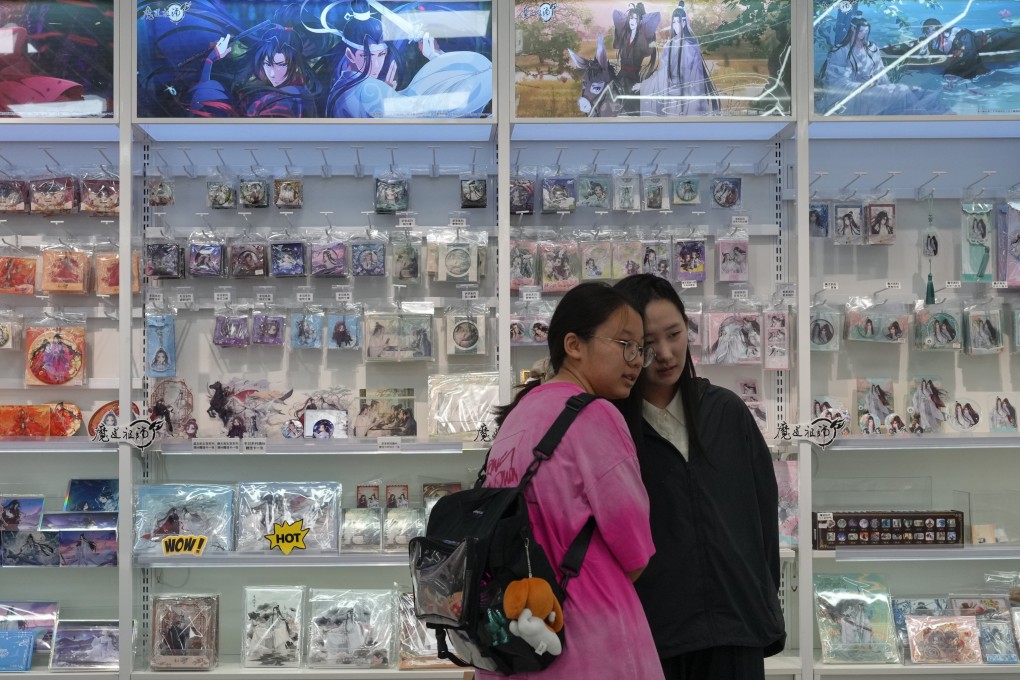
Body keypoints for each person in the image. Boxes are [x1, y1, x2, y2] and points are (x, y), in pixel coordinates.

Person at [477, 282, 663, 680]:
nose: (636, 361)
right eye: (625, 344)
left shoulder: (518, 415)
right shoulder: (595, 415)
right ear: (574, 345)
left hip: (514, 635)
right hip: (587, 638)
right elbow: (635, 548)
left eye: (640, 349)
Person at [613, 274, 785, 680]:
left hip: (733, 629)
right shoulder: (613, 425)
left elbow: (763, 516)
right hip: (654, 634)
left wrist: (761, 604)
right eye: (648, 344)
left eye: (675, 333)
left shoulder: (725, 412)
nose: (667, 353)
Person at [817, 17, 947, 115]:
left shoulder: (871, 48)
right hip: (854, 94)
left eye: (866, 32)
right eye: (861, 31)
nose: (864, 35)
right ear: (853, 30)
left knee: (915, 91)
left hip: (873, 88)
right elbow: (837, 82)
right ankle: (922, 117)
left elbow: (880, 72)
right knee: (902, 91)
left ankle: (936, 115)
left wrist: (888, 86)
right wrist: (864, 86)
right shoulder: (840, 51)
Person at [640, 1, 720, 116]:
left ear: (684, 22)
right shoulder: (669, 45)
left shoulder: (692, 45)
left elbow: (696, 78)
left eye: (679, 21)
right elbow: (663, 73)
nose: (676, 25)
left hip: (689, 94)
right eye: (674, 22)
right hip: (672, 97)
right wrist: (645, 85)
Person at [613, 3, 659, 115]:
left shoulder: (641, 39)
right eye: (630, 18)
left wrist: (642, 19)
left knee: (632, 108)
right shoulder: (625, 36)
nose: (632, 21)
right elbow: (615, 13)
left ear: (639, 21)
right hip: (620, 76)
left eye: (635, 18)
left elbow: (656, 15)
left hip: (633, 78)